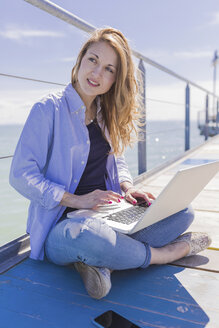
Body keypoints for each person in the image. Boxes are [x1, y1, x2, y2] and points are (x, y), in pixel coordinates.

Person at [9, 27, 211, 300]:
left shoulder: (105, 112)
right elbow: (21, 174)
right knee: (90, 238)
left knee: (182, 211)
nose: (97, 74)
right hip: (66, 226)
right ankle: (164, 254)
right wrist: (77, 200)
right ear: (80, 59)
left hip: (108, 214)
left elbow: (116, 159)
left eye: (109, 69)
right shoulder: (48, 109)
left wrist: (127, 187)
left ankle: (101, 262)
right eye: (93, 60)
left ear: (116, 78)